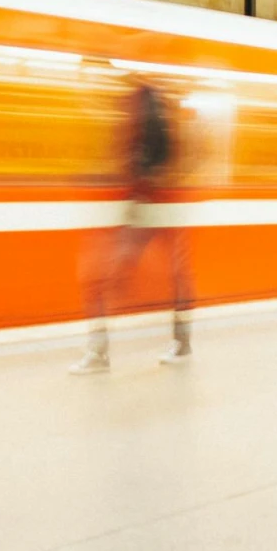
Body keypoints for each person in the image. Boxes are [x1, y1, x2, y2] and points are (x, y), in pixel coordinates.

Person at [68, 76, 191, 374]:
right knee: (177, 275)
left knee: (96, 278)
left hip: (144, 204)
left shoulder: (139, 103)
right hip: (162, 205)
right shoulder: (154, 101)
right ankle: (183, 343)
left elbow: (137, 157)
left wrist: (131, 187)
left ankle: (98, 354)